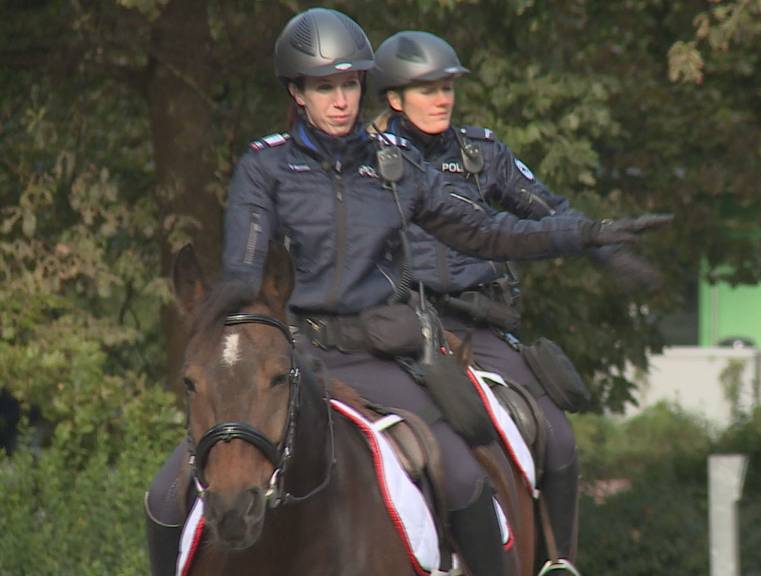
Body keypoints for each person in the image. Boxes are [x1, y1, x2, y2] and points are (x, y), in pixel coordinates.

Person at [143, 8, 669, 576]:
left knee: (465, 477)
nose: (341, 100)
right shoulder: (265, 167)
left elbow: (487, 231)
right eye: (324, 87)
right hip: (292, 356)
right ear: (297, 92)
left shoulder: (397, 169)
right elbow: (244, 277)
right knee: (164, 500)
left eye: (349, 84)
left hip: (379, 357)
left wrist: (586, 234)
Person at [370, 31, 662, 574]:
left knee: (557, 435)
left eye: (448, 87)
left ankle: (558, 562)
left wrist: (601, 249)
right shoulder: (368, 161)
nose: (442, 98)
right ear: (393, 97)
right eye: (427, 88)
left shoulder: (482, 154)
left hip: (479, 326)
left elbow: (547, 211)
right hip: (401, 328)